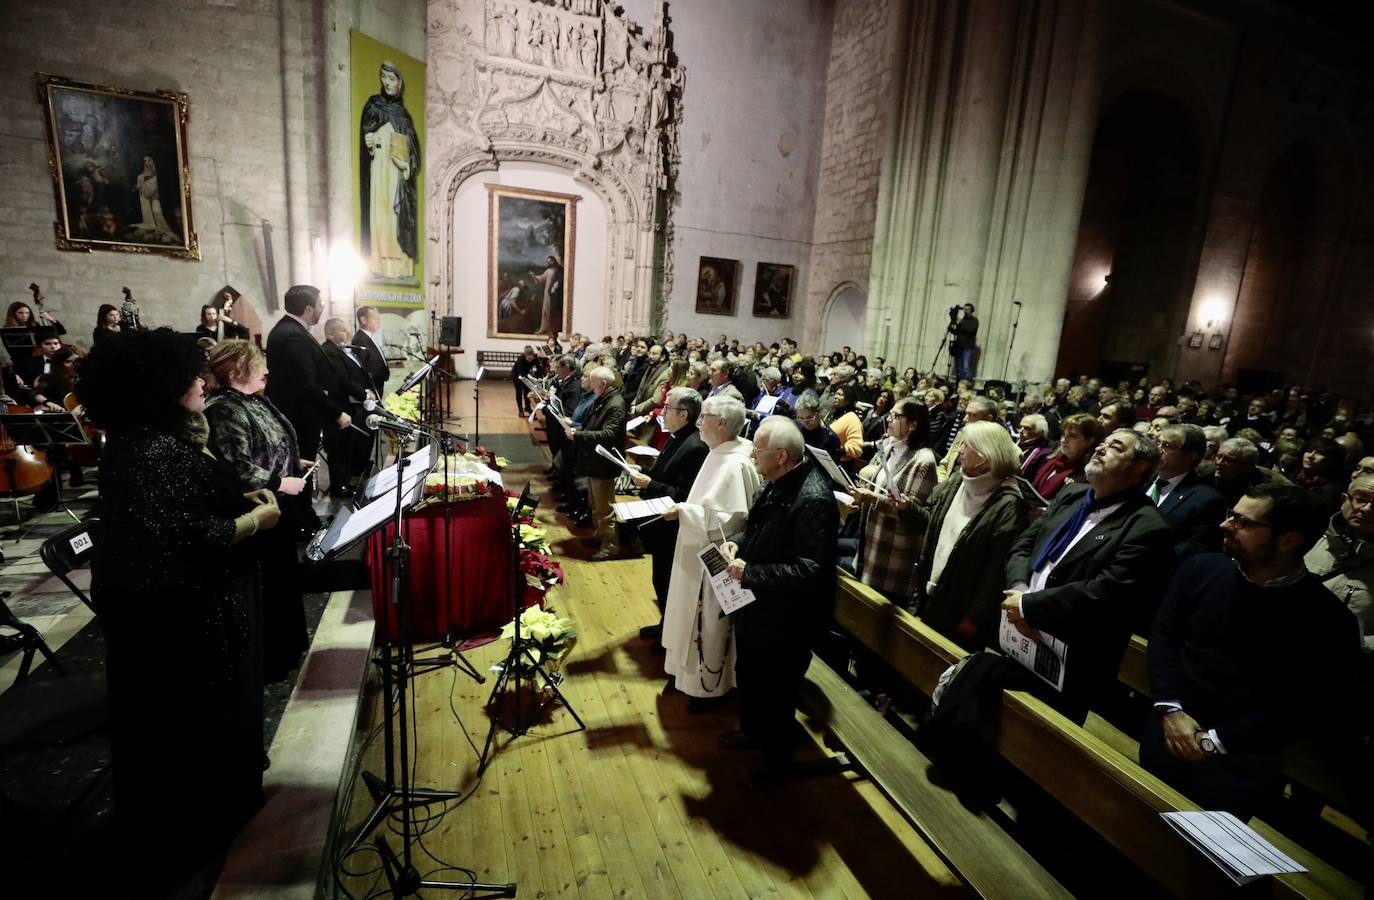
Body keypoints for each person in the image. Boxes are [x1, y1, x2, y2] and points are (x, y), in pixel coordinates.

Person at [81, 328, 281, 892]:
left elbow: (197, 497)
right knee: (185, 724)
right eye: (190, 376)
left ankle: (220, 807)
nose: (201, 381)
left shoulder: (158, 437)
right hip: (173, 617)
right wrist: (254, 521)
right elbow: (186, 538)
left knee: (204, 714)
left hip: (182, 604)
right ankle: (195, 833)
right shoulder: (152, 450)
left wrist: (245, 496)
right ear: (161, 388)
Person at [1142, 484, 1361, 820]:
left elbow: (1306, 704)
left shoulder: (1329, 620)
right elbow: (1165, 636)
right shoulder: (1200, 568)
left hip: (1240, 761)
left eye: (1243, 522)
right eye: (1232, 514)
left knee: (1195, 864)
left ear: (1289, 540)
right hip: (1169, 730)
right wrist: (1171, 708)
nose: (1225, 525)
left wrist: (1214, 740)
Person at [1002, 429, 1173, 722]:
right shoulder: (1072, 494)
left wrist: (1029, 606)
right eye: (1103, 442)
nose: (1101, 448)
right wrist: (1019, 591)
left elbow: (1106, 590)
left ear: (1141, 468)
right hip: (1018, 629)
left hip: (1070, 654)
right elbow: (1025, 544)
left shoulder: (1147, 525)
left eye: (1116, 447)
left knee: (1042, 744)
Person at [721, 417, 838, 786]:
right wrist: (737, 541)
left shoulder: (814, 498)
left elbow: (810, 572)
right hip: (759, 605)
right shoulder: (778, 481)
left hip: (788, 618)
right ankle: (753, 731)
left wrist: (748, 573)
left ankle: (777, 764)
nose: (752, 454)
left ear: (782, 456)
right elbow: (758, 527)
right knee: (750, 675)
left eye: (759, 450)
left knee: (776, 692)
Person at [203, 340, 312, 680]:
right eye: (258, 365)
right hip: (255, 507)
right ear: (235, 373)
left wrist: (295, 463)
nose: (266, 370)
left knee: (284, 581)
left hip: (275, 505)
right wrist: (281, 482)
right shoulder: (223, 409)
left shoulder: (250, 399)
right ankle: (273, 661)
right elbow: (235, 466)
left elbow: (271, 441)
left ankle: (289, 652)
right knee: (270, 588)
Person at [660, 396, 759, 708]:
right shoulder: (717, 452)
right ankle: (683, 674)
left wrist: (685, 513)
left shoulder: (737, 462)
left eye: (704, 416)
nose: (699, 421)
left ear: (721, 423)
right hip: (694, 551)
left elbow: (733, 519)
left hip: (716, 559)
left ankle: (708, 688)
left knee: (709, 625)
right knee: (687, 616)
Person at [914, 421, 1030, 648]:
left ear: (986, 455)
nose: (959, 450)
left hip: (961, 612)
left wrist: (974, 617)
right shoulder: (957, 481)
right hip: (931, 595)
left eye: (966, 445)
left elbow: (996, 571)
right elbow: (934, 528)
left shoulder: (1008, 504)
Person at [264, 285, 351, 531]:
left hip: (299, 414)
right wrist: (336, 412)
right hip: (298, 417)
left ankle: (304, 518)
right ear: (308, 308)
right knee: (301, 468)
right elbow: (306, 384)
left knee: (302, 467)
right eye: (320, 305)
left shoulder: (289, 329)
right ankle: (302, 523)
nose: (322, 309)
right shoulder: (292, 334)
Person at [632, 387, 710, 643]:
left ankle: (671, 636)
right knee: (660, 580)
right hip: (660, 523)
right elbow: (665, 473)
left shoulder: (696, 446)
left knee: (667, 582)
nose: (662, 412)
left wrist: (649, 484)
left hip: (673, 528)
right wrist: (645, 473)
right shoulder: (678, 436)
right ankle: (665, 627)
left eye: (667, 408)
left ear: (684, 414)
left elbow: (684, 495)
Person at [850, 397, 939, 601]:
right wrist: (860, 500)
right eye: (889, 414)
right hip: (870, 545)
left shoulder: (924, 460)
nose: (888, 419)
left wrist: (874, 500)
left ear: (913, 424)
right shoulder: (889, 446)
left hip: (893, 556)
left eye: (896, 416)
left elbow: (918, 515)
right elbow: (874, 485)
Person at [360, 62, 421, 280]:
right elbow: (365, 143)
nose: (387, 82)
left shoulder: (404, 116)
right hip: (378, 173)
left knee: (395, 218)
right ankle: (377, 265)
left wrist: (406, 166)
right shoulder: (373, 106)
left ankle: (399, 268)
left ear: (400, 83)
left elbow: (413, 153)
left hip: (396, 176)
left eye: (392, 78)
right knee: (379, 216)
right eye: (383, 77)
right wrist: (367, 142)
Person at [1304, 473, 1374, 662]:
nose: (1367, 509)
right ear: (1345, 499)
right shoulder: (1306, 538)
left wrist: (1354, 645)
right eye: (1361, 499)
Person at [569, 365, 626, 560]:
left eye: (593, 382)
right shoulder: (603, 399)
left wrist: (579, 435)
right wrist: (577, 428)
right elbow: (593, 425)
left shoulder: (616, 404)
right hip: (595, 461)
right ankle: (599, 535)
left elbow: (609, 434)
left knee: (604, 508)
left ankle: (610, 546)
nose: (589, 385)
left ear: (602, 383)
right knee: (594, 504)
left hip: (604, 463)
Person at [1150, 423, 1228, 558]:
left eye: (1166, 446)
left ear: (1191, 456)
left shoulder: (1207, 500)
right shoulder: (1139, 479)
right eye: (1157, 443)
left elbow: (1196, 549)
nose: (1158, 450)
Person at [320, 317, 374, 496]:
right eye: (343, 330)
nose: (347, 333)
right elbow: (342, 379)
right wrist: (363, 394)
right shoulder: (329, 351)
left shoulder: (338, 350)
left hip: (345, 405)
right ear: (330, 333)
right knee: (337, 447)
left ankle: (344, 483)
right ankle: (339, 486)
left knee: (345, 446)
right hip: (336, 406)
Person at [1031, 412, 1103, 501]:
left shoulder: (1086, 475)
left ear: (1088, 442)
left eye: (1072, 436)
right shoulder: (1054, 460)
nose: (1063, 440)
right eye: (1063, 434)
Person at [935, 395, 999, 481]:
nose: (965, 419)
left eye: (971, 415)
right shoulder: (962, 434)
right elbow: (944, 465)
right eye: (966, 414)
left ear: (988, 419)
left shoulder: (999, 447)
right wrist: (942, 486)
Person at [352, 304, 390, 392]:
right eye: (375, 319)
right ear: (364, 320)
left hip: (378, 386)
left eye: (379, 319)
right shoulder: (359, 340)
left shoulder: (369, 337)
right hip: (371, 389)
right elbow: (366, 369)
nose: (378, 322)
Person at [512, 345, 546, 416]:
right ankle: (520, 410)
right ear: (525, 355)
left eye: (531, 358)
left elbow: (539, 369)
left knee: (527, 392)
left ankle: (528, 407)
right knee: (519, 392)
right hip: (517, 375)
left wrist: (539, 377)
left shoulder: (535, 358)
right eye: (528, 358)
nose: (530, 360)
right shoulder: (520, 359)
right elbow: (520, 372)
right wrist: (530, 378)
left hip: (526, 374)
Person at [949, 303, 978, 381]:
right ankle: (958, 386)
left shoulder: (974, 320)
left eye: (968, 309)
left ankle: (966, 386)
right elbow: (957, 332)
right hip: (959, 346)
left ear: (971, 311)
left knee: (966, 368)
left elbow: (970, 331)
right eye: (965, 309)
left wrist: (960, 322)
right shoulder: (962, 320)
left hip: (968, 347)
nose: (966, 311)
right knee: (958, 369)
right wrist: (951, 326)